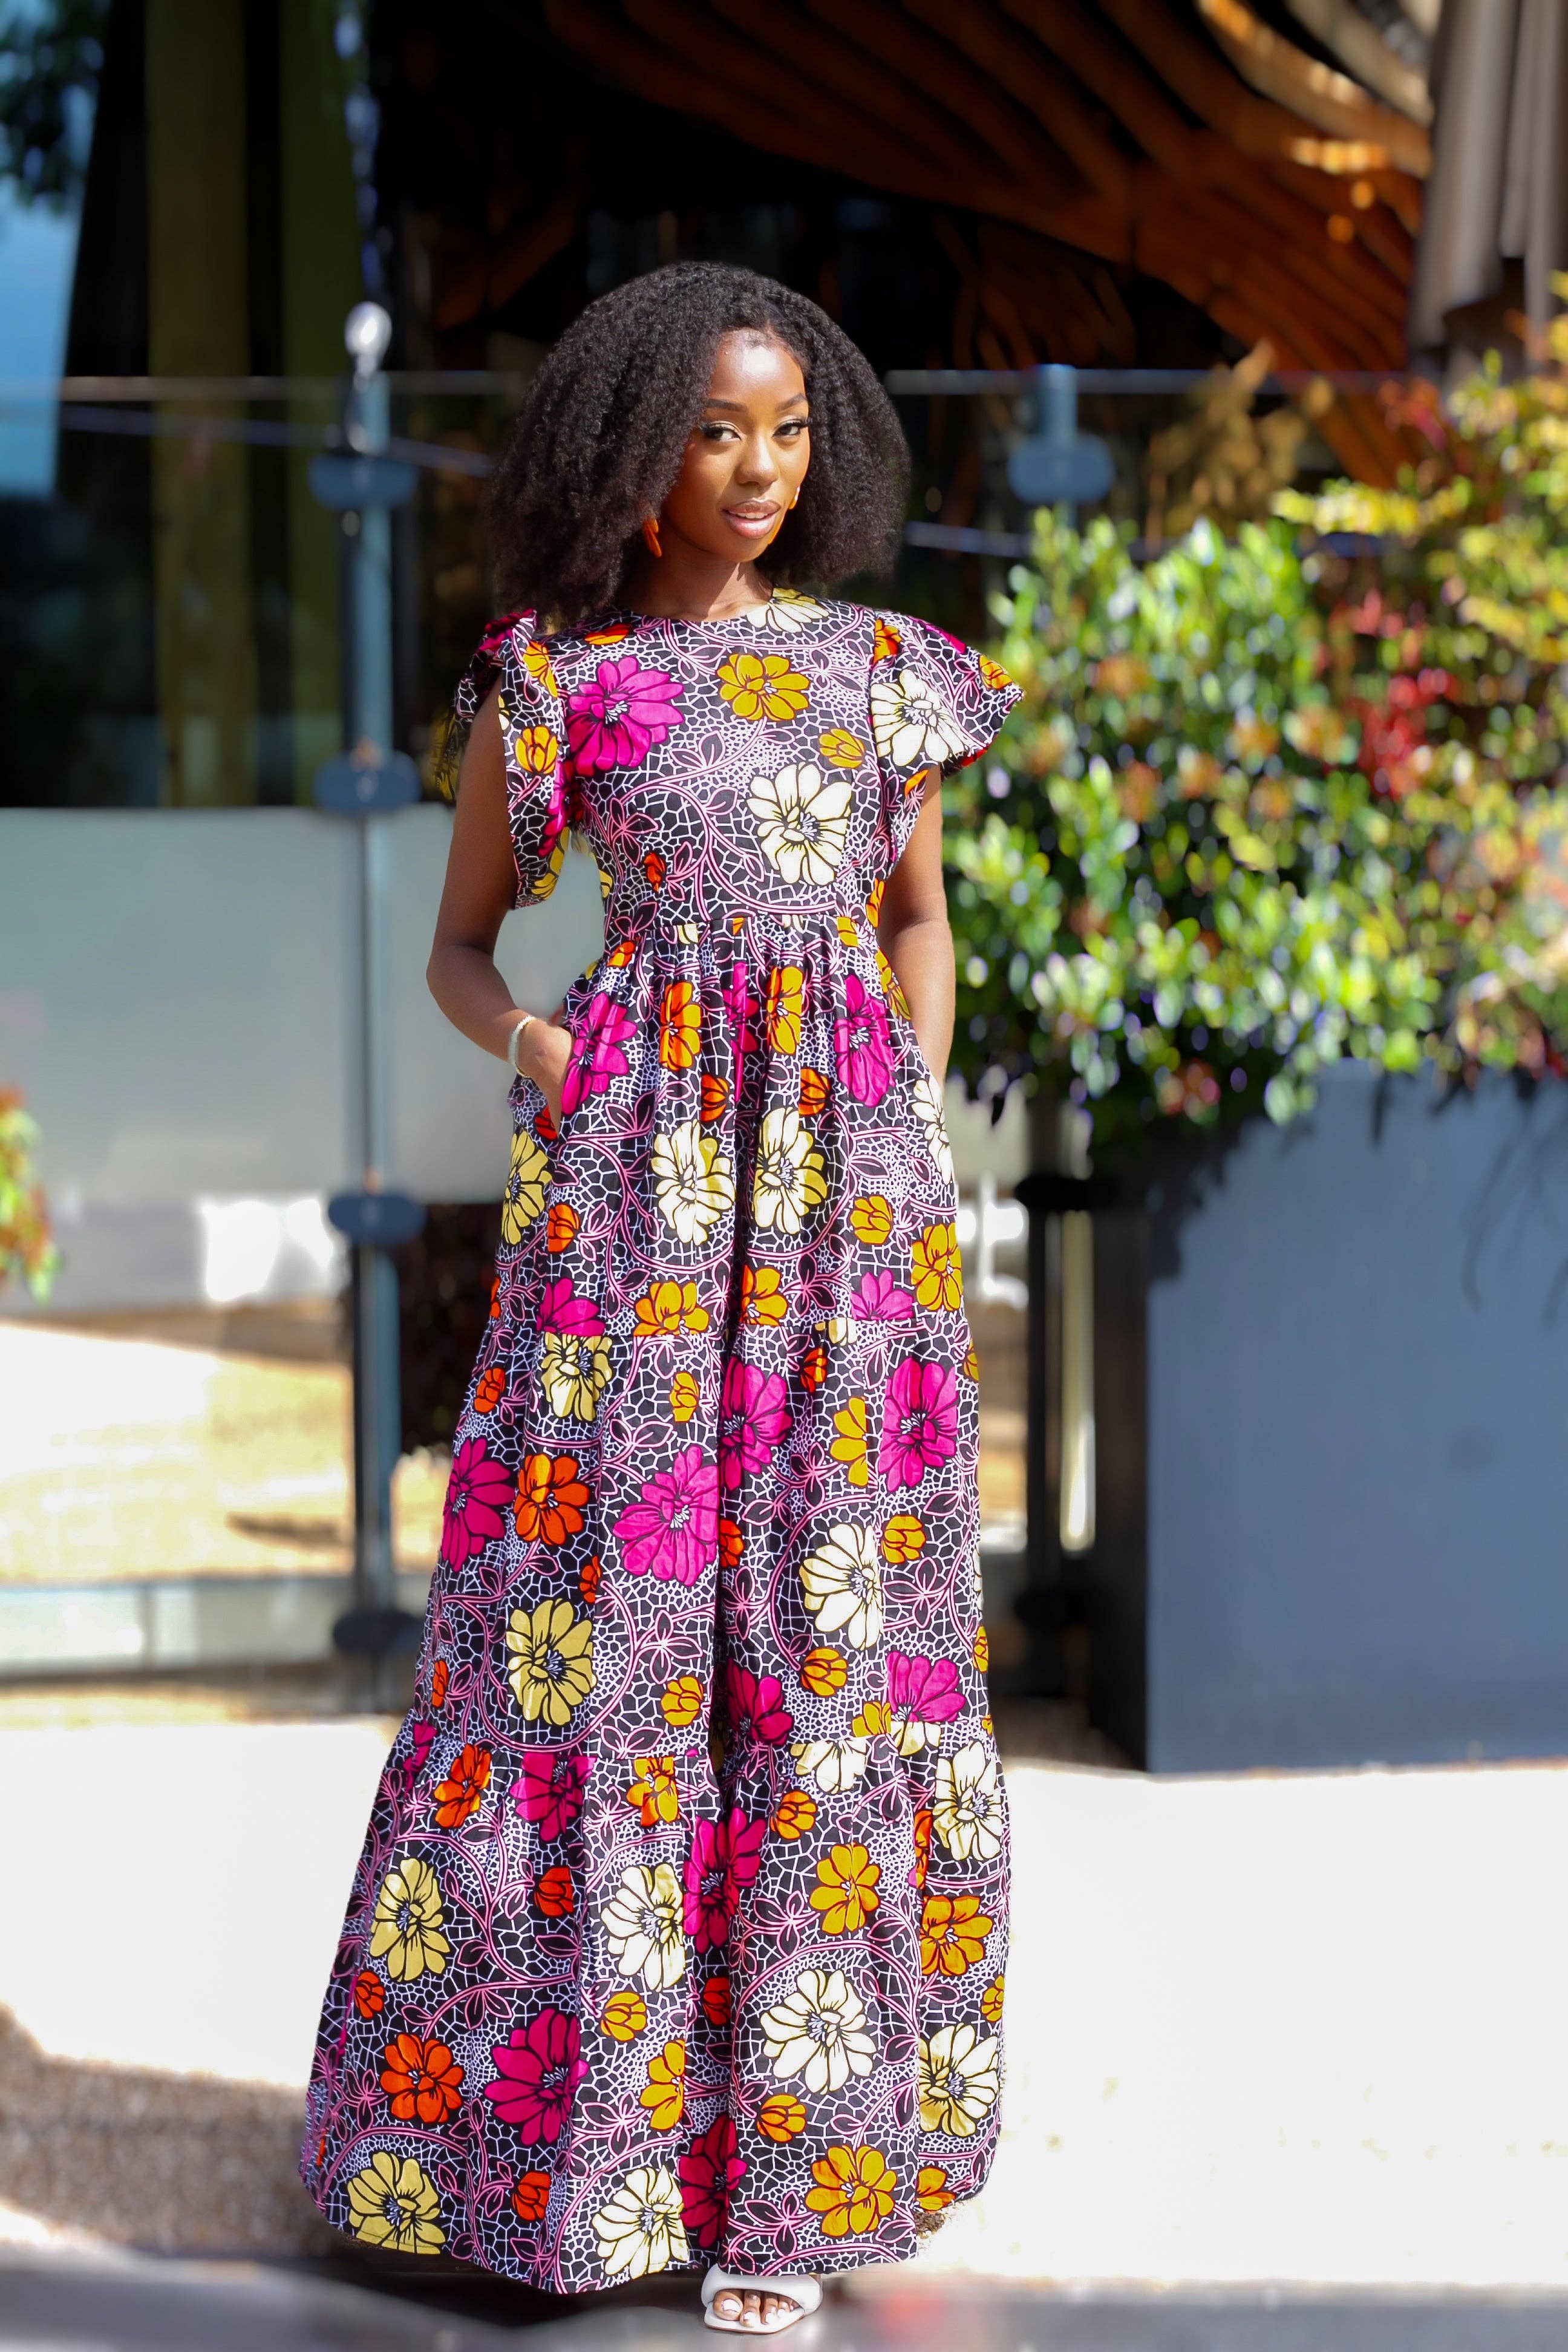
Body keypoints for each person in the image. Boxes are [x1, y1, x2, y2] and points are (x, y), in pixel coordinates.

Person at [298, 261, 1016, 2334]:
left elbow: (917, 923)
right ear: (636, 453)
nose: (760, 469)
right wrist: (547, 1050)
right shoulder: (558, 684)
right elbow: (459, 950)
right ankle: (575, 2170)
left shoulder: (880, 675)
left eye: (789, 432)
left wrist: (905, 1111)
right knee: (598, 1643)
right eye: (718, 432)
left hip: (846, 1237)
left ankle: (791, 2192)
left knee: (820, 1645)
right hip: (634, 1215)